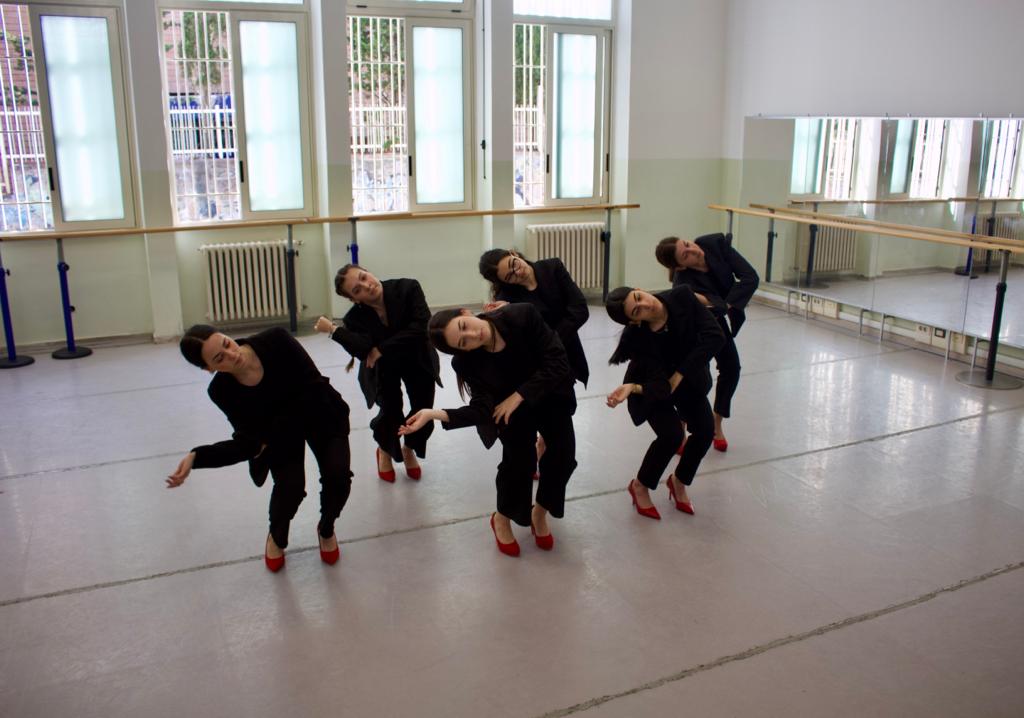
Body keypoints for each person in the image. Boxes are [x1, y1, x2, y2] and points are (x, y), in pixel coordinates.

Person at [168, 325, 352, 572]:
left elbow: (314, 391)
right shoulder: (221, 391)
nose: (232, 354)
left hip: (321, 413)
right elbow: (249, 442)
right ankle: (276, 536)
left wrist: (267, 431)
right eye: (219, 358)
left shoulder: (277, 340)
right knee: (290, 489)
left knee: (338, 475)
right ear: (208, 369)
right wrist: (197, 456)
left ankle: (326, 528)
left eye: (226, 343)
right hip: (281, 435)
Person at [400, 303, 577, 557]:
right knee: (518, 465)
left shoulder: (521, 316)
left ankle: (539, 511)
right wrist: (434, 414)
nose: (472, 336)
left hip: (549, 396)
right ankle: (502, 518)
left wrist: (519, 395)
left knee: (562, 457)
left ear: (464, 313)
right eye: (463, 342)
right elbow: (483, 408)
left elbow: (558, 362)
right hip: (511, 414)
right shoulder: (466, 363)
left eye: (464, 327)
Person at [605, 285, 724, 519]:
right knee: (671, 436)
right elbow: (662, 386)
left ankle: (679, 482)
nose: (646, 305)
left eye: (639, 298)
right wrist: (634, 387)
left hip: (688, 379)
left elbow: (715, 337)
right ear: (635, 322)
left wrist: (680, 373)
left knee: (705, 431)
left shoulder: (681, 297)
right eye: (637, 311)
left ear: (639, 289)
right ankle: (640, 485)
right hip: (649, 386)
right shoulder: (642, 339)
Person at [315, 265, 441, 482]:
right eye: (357, 290)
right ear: (355, 299)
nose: (366, 286)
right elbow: (362, 349)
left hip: (418, 359)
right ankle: (385, 449)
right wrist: (335, 330)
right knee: (391, 412)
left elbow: (421, 328)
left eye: (364, 277)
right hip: (384, 368)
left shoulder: (407, 287)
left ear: (369, 272)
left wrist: (380, 348)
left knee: (423, 409)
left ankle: (409, 448)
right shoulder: (355, 318)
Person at [655, 234, 759, 451]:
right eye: (686, 255)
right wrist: (723, 305)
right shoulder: (683, 284)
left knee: (731, 368)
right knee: (696, 375)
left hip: (719, 315)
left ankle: (716, 422)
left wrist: (727, 304)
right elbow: (706, 308)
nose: (693, 250)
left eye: (687, 244)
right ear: (681, 267)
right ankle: (682, 423)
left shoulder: (715, 245)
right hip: (695, 322)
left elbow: (750, 277)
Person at [477, 249, 590, 387]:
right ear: (504, 282)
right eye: (510, 276)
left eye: (514, 264)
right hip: (543, 362)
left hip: (569, 349)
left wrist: (551, 340)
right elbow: (525, 338)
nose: (517, 272)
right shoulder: (506, 299)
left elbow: (580, 309)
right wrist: (508, 311)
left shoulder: (552, 267)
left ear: (514, 253)